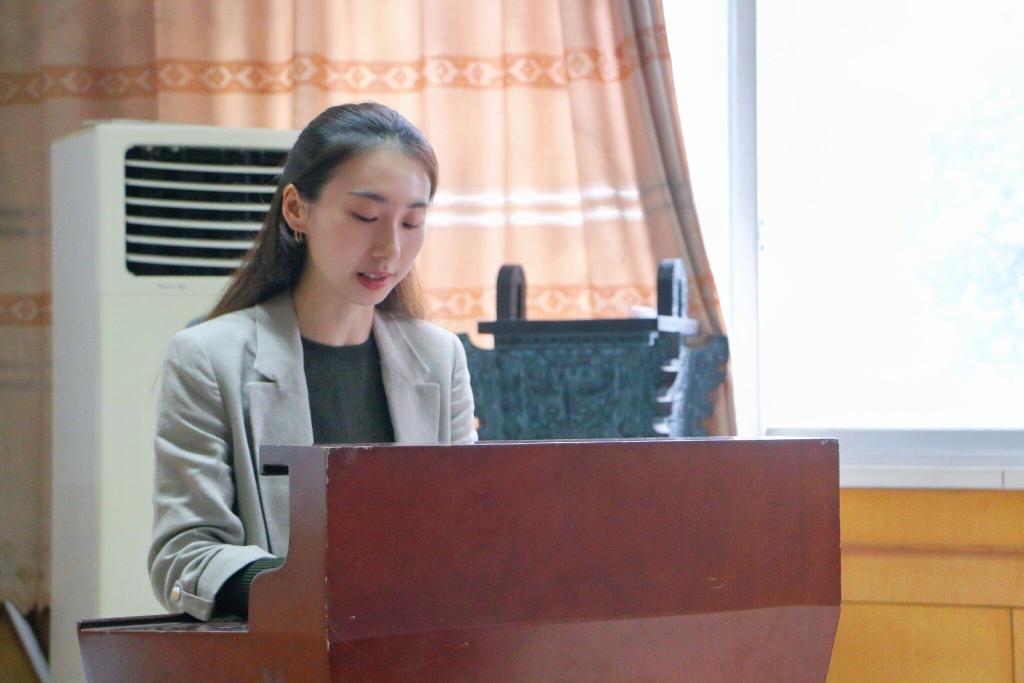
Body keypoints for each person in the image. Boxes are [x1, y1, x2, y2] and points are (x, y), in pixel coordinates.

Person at [148, 103, 477, 622]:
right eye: (365, 216)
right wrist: (310, 590)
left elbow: (468, 535)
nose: (389, 249)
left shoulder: (439, 358)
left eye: (412, 221)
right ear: (297, 210)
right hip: (280, 652)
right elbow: (184, 558)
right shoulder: (209, 358)